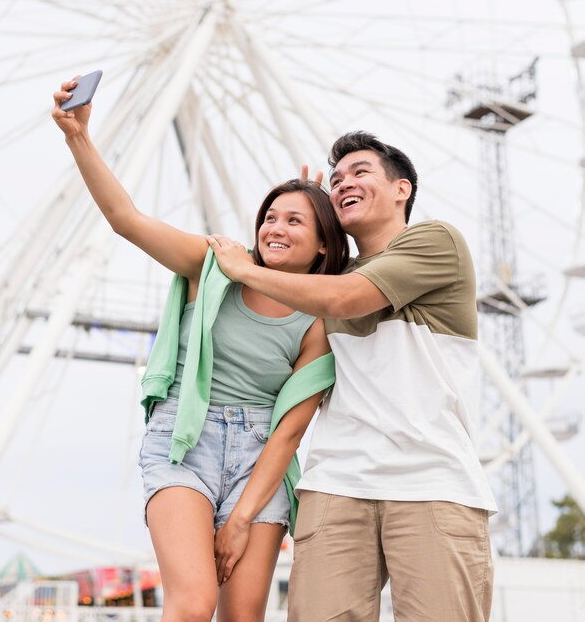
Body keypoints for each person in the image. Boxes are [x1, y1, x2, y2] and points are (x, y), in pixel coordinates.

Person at [52, 78, 349, 622]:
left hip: (260, 458)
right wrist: (78, 137)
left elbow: (289, 430)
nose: (274, 228)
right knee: (192, 604)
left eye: (294, 220)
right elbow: (127, 219)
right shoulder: (214, 266)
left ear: (324, 243)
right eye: (270, 217)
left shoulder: (321, 321)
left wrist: (241, 519)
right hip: (184, 443)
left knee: (242, 617)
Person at [207, 131, 498, 622]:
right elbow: (298, 281)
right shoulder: (323, 279)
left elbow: (347, 299)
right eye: (336, 179)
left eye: (360, 172)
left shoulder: (434, 241)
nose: (344, 183)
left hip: (430, 480)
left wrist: (244, 269)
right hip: (336, 484)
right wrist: (303, 223)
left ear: (402, 189)